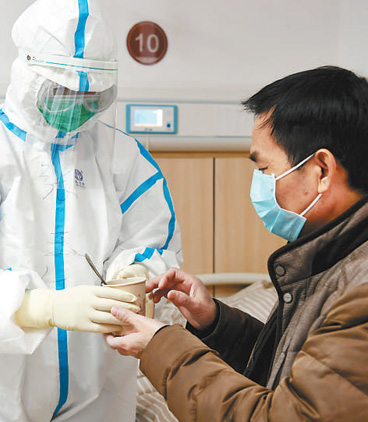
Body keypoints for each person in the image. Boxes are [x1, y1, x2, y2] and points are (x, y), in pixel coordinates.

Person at [106, 66, 368, 421]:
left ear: (321, 170)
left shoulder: (360, 292)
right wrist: (214, 322)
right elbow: (293, 367)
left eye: (264, 170)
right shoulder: (333, 261)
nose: (259, 184)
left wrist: (162, 345)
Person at [0, 0, 182, 421]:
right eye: (62, 91)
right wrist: (40, 308)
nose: (77, 105)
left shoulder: (122, 156)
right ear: (28, 74)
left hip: (100, 388)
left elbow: (154, 241)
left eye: (90, 95)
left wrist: (134, 273)